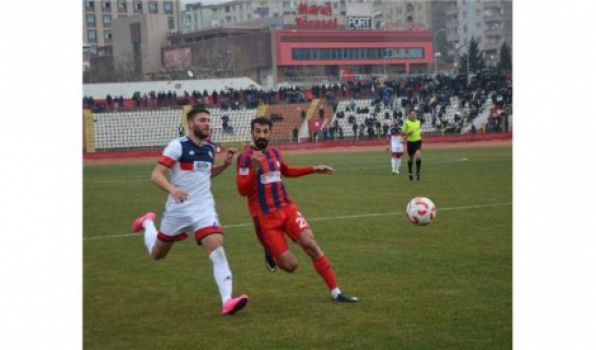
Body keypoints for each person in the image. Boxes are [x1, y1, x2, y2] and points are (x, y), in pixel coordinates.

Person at [131, 107, 249, 315]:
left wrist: (224, 165)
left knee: (217, 250)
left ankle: (227, 301)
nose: (207, 124)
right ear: (191, 123)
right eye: (202, 120)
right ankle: (148, 222)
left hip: (203, 208)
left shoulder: (210, 148)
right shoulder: (177, 146)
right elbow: (156, 174)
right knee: (157, 254)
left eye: (208, 120)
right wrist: (172, 189)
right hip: (178, 210)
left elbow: (204, 174)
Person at [236, 117, 358, 303]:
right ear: (252, 132)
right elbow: (242, 191)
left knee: (310, 243)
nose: (261, 135)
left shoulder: (275, 153)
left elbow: (286, 171)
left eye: (265, 131)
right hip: (266, 219)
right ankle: (271, 253)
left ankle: (336, 292)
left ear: (271, 133)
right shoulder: (245, 158)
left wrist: (313, 169)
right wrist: (254, 169)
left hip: (287, 208)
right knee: (291, 265)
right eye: (258, 131)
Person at [402, 110, 423, 181]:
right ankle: (410, 172)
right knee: (411, 158)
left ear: (416, 115)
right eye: (412, 114)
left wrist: (421, 133)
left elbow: (419, 130)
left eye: (414, 114)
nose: (413, 115)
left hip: (418, 141)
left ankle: (418, 172)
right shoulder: (407, 123)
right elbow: (402, 132)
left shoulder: (418, 122)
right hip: (410, 142)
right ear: (410, 116)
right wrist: (408, 132)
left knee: (418, 157)